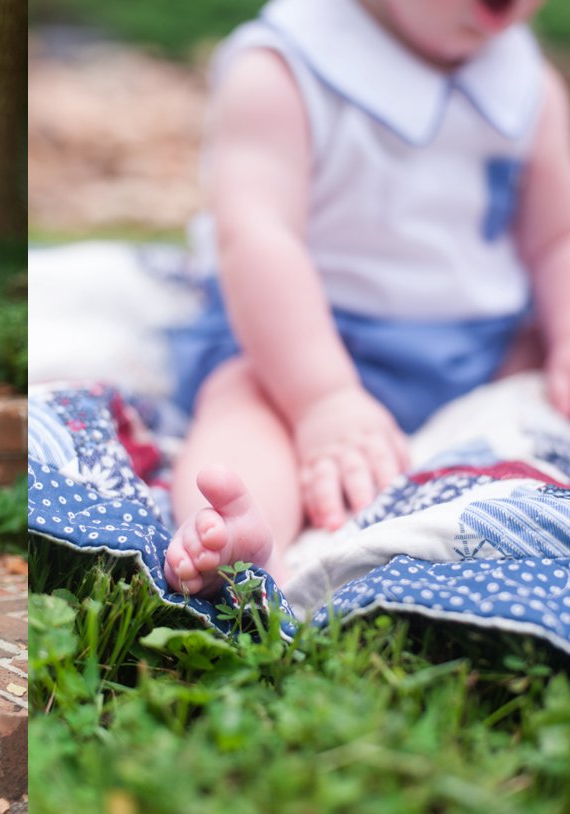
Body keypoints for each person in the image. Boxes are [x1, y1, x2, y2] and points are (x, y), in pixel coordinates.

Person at [164, 0, 570, 597]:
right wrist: (323, 399)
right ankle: (243, 537)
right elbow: (258, 235)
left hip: (481, 343)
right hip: (308, 339)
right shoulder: (283, 67)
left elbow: (556, 238)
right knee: (242, 398)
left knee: (546, 373)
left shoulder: (527, 86)